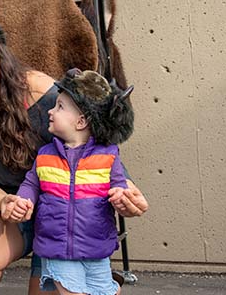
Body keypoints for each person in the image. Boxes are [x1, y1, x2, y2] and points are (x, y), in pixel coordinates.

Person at [0, 0, 149, 295]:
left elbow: (94, 140)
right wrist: (5, 202)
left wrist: (124, 185)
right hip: (15, 209)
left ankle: (92, 276)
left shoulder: (39, 90)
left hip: (64, 211)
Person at [8, 68, 135, 295]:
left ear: (81, 121)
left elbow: (119, 183)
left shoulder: (108, 155)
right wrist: (24, 200)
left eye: (59, 107)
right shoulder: (45, 155)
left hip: (96, 247)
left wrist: (120, 194)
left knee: (102, 292)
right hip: (57, 247)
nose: (50, 110)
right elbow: (31, 184)